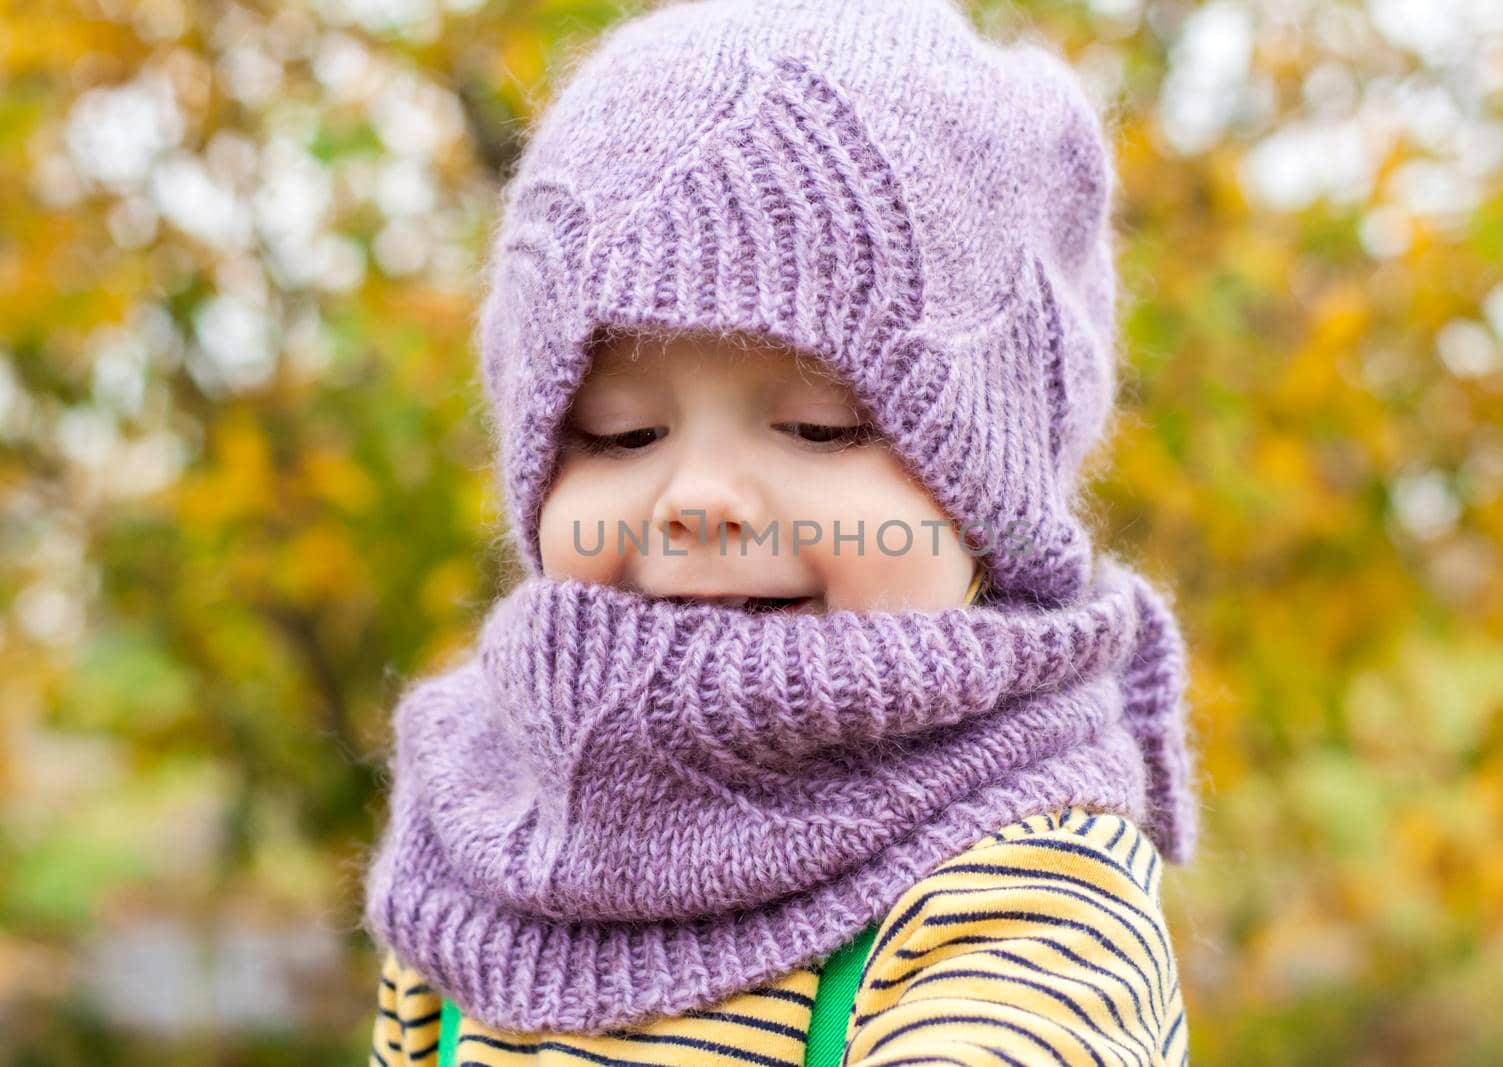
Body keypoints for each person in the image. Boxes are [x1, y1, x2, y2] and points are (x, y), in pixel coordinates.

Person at [364, 1, 1201, 1064]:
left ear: (993, 504)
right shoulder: (475, 836)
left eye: (818, 426)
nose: (698, 495)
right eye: (619, 435)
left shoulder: (1025, 880)